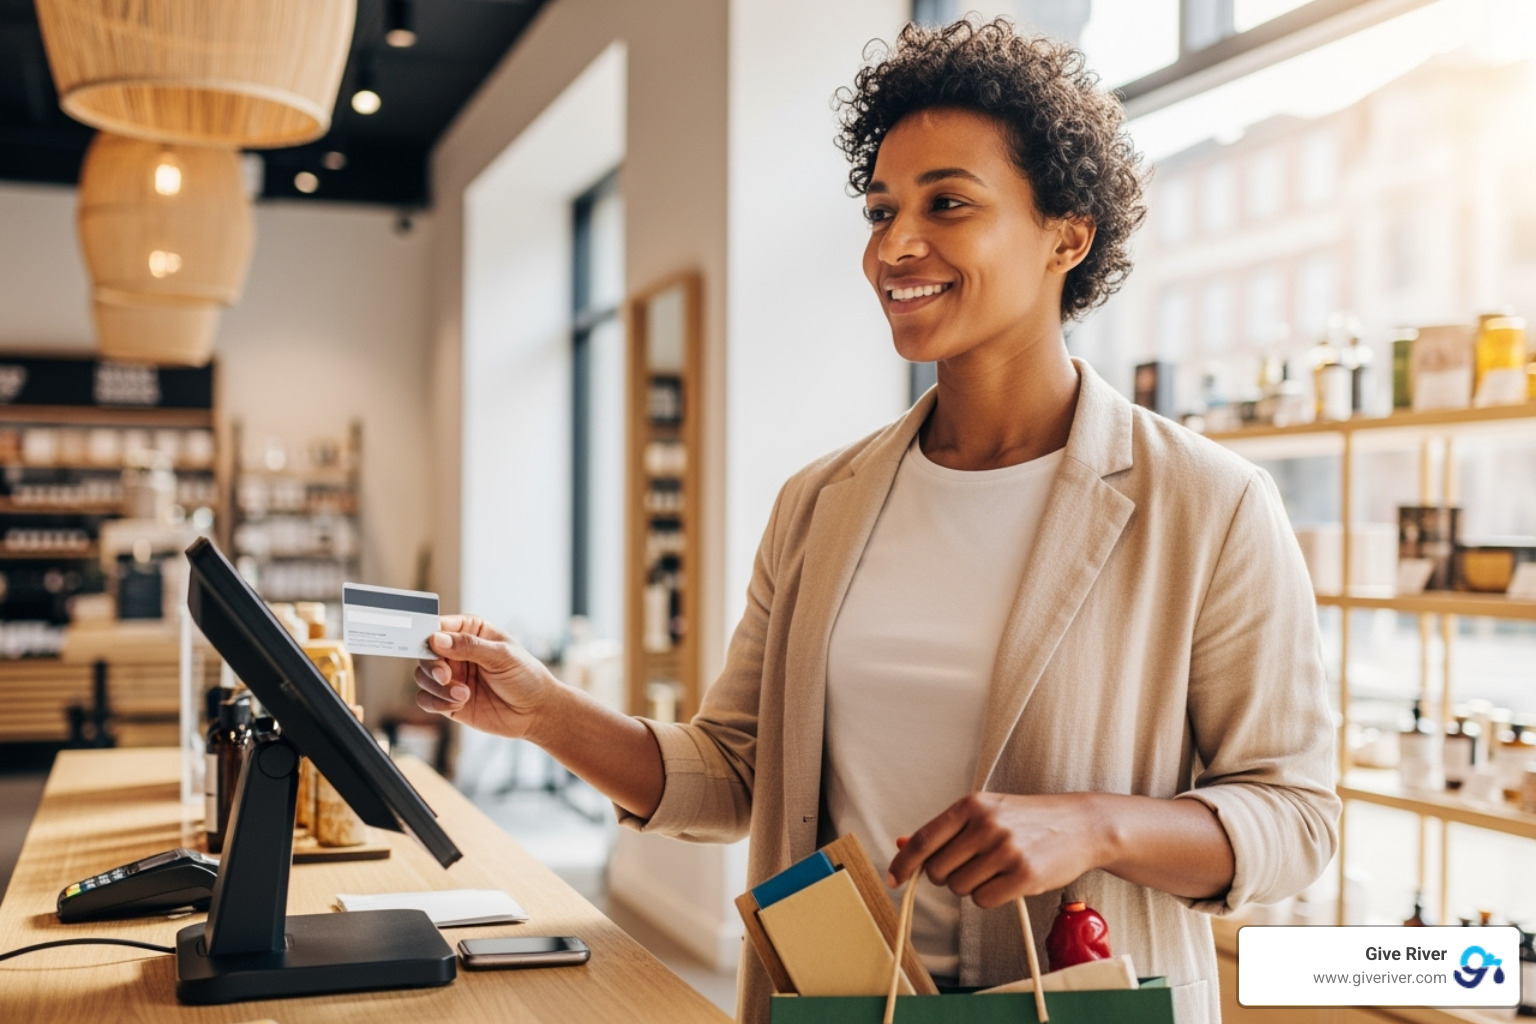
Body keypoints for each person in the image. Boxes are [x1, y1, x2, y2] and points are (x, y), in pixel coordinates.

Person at [416, 18, 1339, 1024]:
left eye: (948, 203)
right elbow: (732, 774)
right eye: (881, 208)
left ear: (1066, 235)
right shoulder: (820, 505)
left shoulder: (1207, 503)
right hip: (835, 1000)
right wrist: (544, 710)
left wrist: (1095, 825)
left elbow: (1295, 819)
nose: (896, 245)